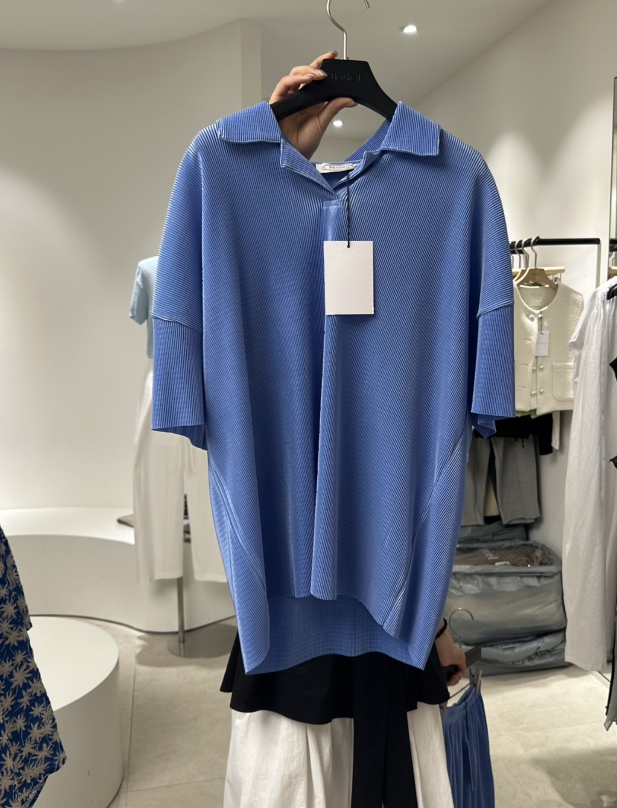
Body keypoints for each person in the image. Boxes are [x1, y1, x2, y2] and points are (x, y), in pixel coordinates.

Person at [220, 54, 467, 808]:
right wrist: (269, 156)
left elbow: (469, 404)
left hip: (393, 607)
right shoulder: (219, 176)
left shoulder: (458, 187)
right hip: (289, 609)